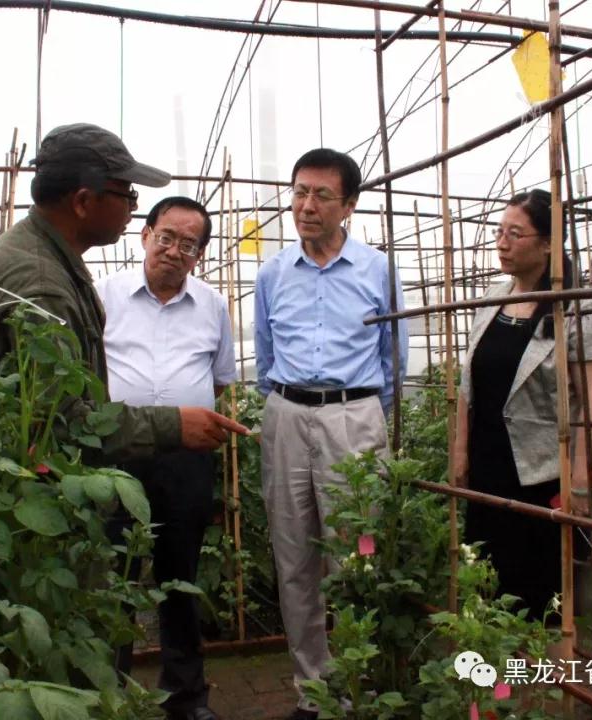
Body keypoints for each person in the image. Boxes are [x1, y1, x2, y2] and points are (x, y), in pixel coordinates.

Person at [0, 123, 247, 462]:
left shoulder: (48, 258)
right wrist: (173, 424)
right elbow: (61, 424)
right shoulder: (43, 285)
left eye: (188, 245)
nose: (133, 208)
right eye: (127, 194)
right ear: (83, 201)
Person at [253, 148, 408, 720]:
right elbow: (265, 355)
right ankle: (313, 692)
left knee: (356, 555)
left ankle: (358, 686)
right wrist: (287, 405)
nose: (306, 206)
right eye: (299, 192)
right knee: (293, 556)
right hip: (286, 414)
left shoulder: (378, 270)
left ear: (349, 205)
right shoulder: (272, 273)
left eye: (321, 195)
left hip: (354, 415)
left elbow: (394, 358)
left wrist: (363, 414)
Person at [96, 197, 235, 720]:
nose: (175, 251)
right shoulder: (104, 296)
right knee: (114, 577)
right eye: (167, 237)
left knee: (181, 576)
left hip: (185, 459)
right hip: (117, 455)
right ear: (145, 235)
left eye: (189, 244)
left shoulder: (212, 306)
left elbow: (219, 379)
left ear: (199, 255)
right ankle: (108, 693)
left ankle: (186, 697)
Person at [450, 189, 592, 618]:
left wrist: (580, 479)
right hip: (488, 465)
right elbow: (469, 384)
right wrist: (461, 451)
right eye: (499, 232)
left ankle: (549, 658)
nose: (502, 243)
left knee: (544, 592)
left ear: (548, 244)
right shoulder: (492, 299)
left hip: (543, 472)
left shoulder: (578, 307)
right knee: (488, 579)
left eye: (515, 234)